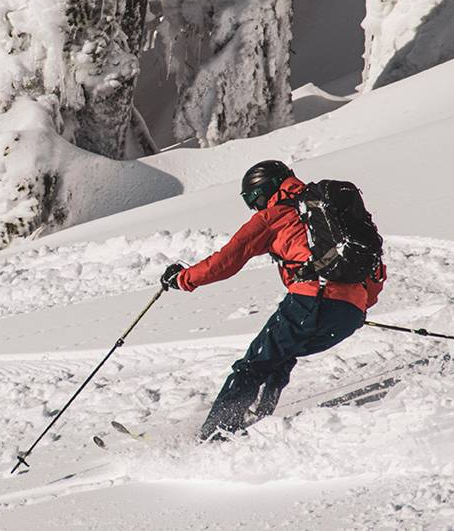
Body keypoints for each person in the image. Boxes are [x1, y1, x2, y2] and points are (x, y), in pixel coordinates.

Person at [160, 160, 383, 441]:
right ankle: (256, 415)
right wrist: (359, 307)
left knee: (254, 364)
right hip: (349, 312)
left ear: (265, 190)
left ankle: (213, 435)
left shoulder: (275, 215)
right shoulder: (325, 210)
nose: (255, 206)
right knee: (280, 355)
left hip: (313, 299)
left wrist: (183, 279)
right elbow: (372, 266)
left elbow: (227, 259)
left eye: (254, 198)